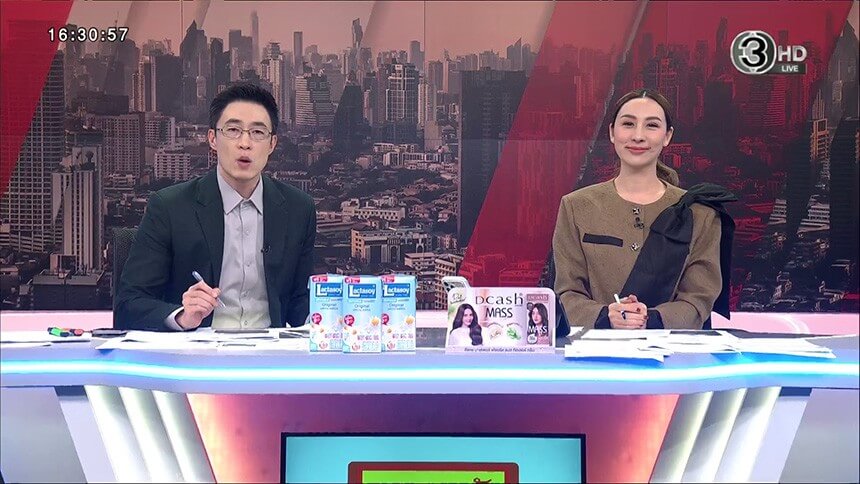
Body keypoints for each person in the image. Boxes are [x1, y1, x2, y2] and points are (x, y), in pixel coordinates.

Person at [114, 83, 317, 331]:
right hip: (197, 349)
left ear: (272, 143)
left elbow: (299, 301)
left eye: (257, 132)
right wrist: (182, 316)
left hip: (270, 349)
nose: (245, 143)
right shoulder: (170, 207)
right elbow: (129, 304)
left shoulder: (299, 209)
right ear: (212, 138)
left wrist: (324, 318)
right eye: (233, 130)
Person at [552, 88, 736, 330]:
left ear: (667, 136)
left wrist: (649, 318)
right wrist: (606, 316)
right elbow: (567, 293)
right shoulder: (576, 206)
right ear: (612, 132)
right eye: (628, 124)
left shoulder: (700, 213)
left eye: (651, 125)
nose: (638, 136)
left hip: (672, 350)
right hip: (595, 347)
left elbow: (698, 300)